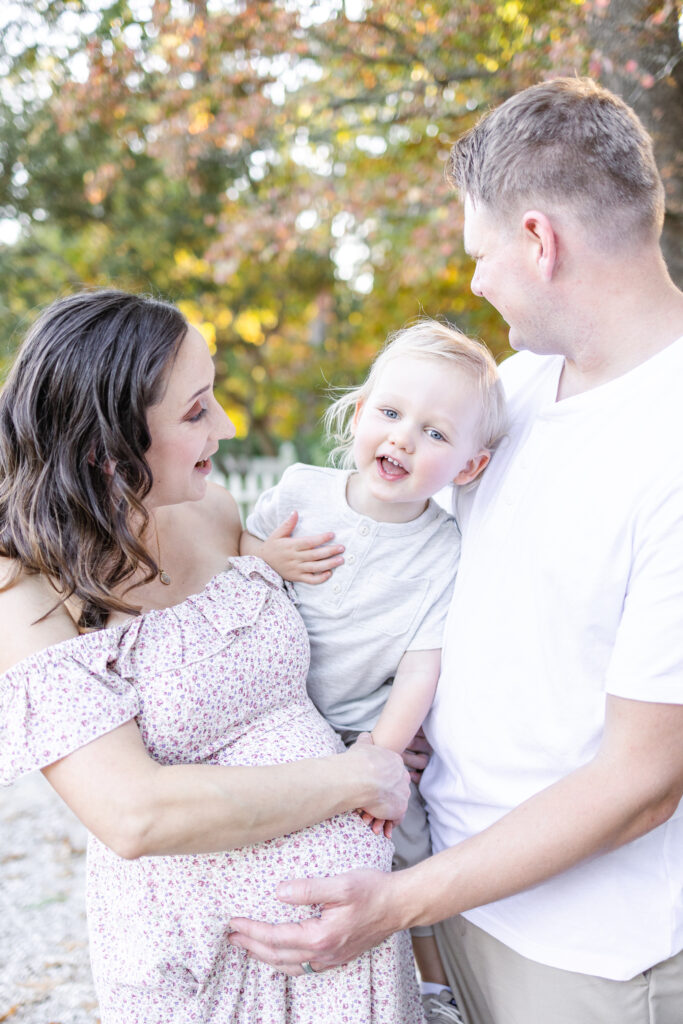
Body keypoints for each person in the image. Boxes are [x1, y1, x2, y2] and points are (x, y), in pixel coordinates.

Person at [226, 77, 683, 1024]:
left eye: (480, 253)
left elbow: (645, 782)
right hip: (458, 895)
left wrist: (397, 902)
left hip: (587, 956)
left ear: (536, 240)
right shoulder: (510, 393)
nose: (473, 282)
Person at [0, 288, 424, 1024]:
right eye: (196, 412)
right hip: (204, 968)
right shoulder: (24, 593)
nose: (224, 427)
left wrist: (392, 724)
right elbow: (134, 814)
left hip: (349, 942)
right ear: (108, 445)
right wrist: (359, 775)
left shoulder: (212, 508)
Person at [241, 319, 506, 1022]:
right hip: (272, 708)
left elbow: (421, 667)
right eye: (390, 413)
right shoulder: (300, 493)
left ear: (469, 468)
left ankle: (429, 986)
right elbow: (235, 571)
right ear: (359, 414)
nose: (403, 438)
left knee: (406, 835)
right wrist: (266, 557)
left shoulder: (441, 549)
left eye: (435, 433)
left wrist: (379, 756)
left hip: (363, 719)